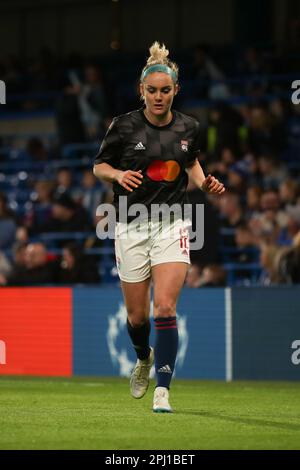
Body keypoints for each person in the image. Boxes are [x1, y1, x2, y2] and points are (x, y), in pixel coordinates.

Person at [93, 42, 225, 413]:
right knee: (137, 318)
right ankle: (143, 357)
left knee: (165, 309)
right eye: (152, 90)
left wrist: (205, 183)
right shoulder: (123, 126)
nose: (158, 96)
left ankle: (163, 390)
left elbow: (192, 164)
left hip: (173, 224)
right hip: (130, 227)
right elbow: (98, 167)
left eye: (165, 90)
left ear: (175, 91)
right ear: (142, 91)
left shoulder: (190, 127)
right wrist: (118, 173)